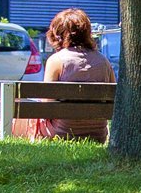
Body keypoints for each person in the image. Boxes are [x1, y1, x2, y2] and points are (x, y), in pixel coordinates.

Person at [25, 7, 114, 141]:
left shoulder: (56, 60)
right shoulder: (104, 61)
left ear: (57, 34)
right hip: (98, 134)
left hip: (61, 133)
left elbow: (46, 105)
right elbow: (113, 98)